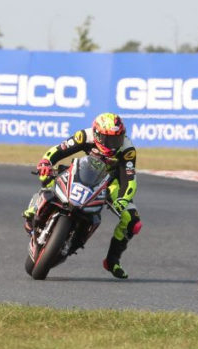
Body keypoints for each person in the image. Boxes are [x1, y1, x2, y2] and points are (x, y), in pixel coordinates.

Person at [23, 112, 141, 279]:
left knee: (132, 221)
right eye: (108, 139)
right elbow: (58, 151)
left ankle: (112, 261)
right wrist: (46, 163)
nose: (114, 144)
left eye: (117, 138)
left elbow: (129, 180)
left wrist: (123, 200)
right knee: (48, 175)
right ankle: (34, 210)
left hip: (110, 182)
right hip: (84, 170)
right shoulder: (85, 136)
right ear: (98, 135)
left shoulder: (127, 149)